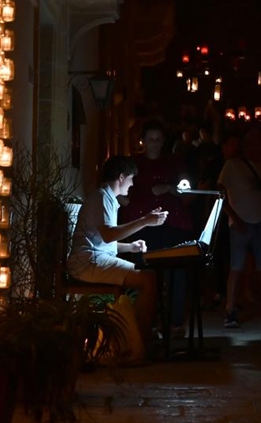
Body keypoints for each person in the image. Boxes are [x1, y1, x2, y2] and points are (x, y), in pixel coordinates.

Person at [67, 155, 168, 355]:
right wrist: (145, 221)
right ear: (121, 177)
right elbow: (108, 235)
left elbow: (103, 239)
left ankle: (135, 337)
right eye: (131, 178)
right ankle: (139, 341)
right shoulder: (102, 198)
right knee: (148, 280)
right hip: (89, 263)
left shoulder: (106, 198)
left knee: (149, 277)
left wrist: (130, 247)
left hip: (95, 258)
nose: (132, 184)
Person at [119, 120, 194, 338]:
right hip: (142, 224)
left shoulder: (174, 163)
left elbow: (185, 191)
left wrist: (169, 188)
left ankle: (174, 323)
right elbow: (122, 193)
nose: (154, 144)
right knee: (144, 271)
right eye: (150, 139)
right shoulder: (133, 163)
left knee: (175, 272)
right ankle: (144, 322)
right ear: (144, 141)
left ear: (163, 142)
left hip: (172, 223)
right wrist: (131, 206)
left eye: (158, 140)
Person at [217, 128, 261, 328]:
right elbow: (220, 196)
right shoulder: (231, 166)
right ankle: (231, 310)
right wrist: (235, 218)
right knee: (236, 268)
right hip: (240, 224)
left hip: (260, 222)